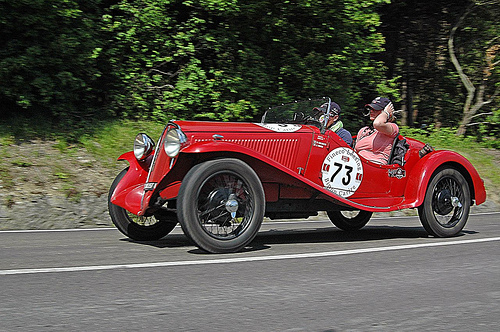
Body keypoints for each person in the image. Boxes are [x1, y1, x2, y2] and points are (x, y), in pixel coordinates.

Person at [354, 97, 399, 165]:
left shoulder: (392, 127)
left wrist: (387, 113)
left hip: (376, 167)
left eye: (376, 109)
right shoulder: (364, 130)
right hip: (358, 165)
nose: (371, 111)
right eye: (371, 109)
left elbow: (377, 124)